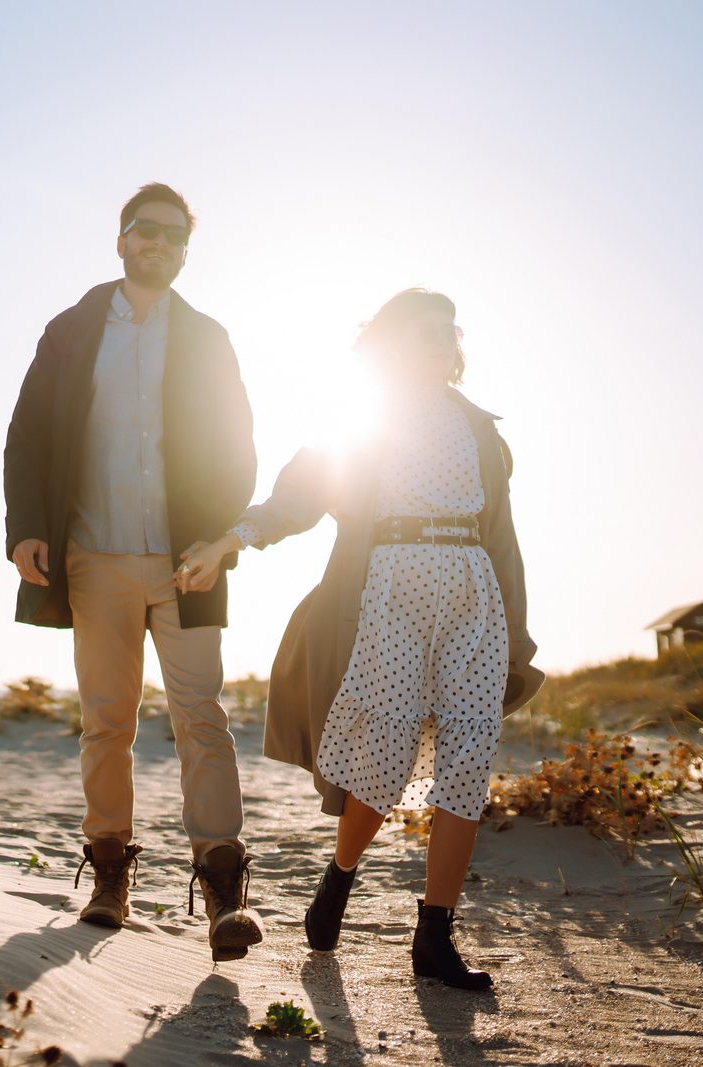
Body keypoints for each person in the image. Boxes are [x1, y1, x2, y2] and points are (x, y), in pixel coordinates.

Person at [177, 288, 543, 988]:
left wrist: (517, 635)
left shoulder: (482, 433)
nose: (440, 340)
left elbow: (503, 539)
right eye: (423, 330)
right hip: (389, 587)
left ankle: (434, 936)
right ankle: (339, 878)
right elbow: (300, 495)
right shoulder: (364, 422)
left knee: (467, 764)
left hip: (472, 590)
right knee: (387, 755)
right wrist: (233, 538)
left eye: (449, 330)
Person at [2, 182, 263, 961]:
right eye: (146, 232)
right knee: (107, 721)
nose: (160, 246)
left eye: (175, 237)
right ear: (121, 241)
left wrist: (217, 537)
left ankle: (223, 893)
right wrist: (25, 532)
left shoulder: (208, 337)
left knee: (202, 719)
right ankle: (110, 876)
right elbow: (26, 435)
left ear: (185, 250)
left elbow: (237, 446)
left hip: (185, 562)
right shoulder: (72, 329)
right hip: (94, 556)